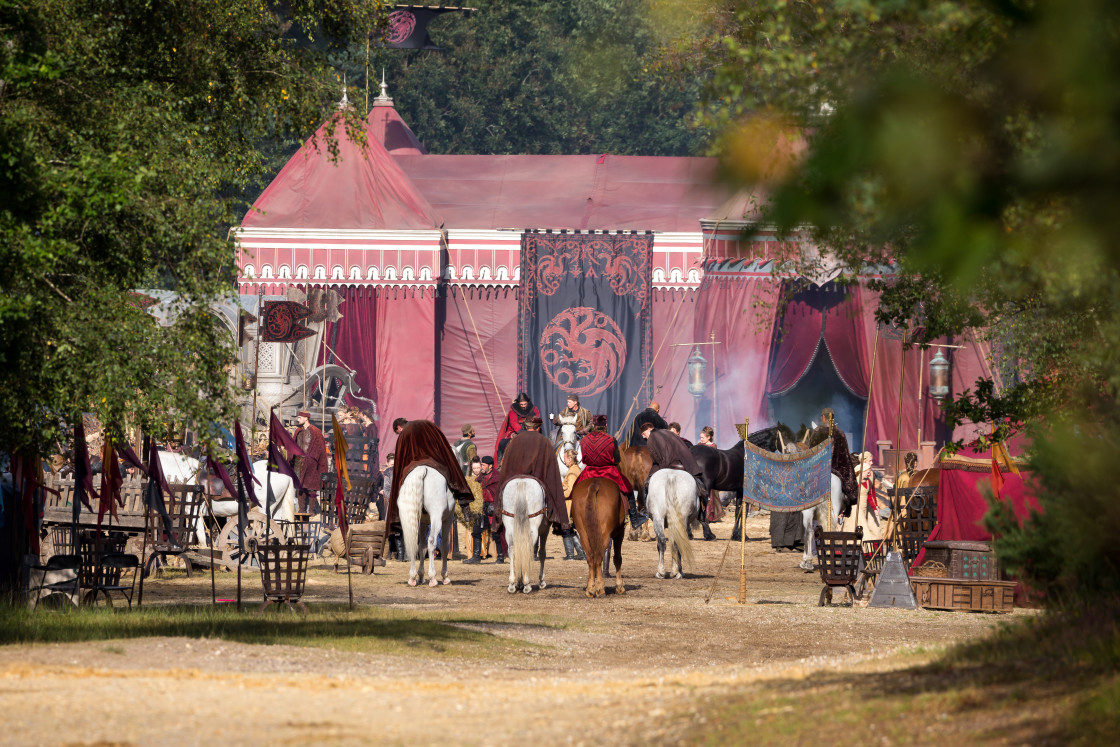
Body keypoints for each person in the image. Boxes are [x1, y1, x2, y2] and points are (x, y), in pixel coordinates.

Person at [497, 415, 570, 539]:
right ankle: (559, 521)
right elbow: (551, 469)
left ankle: (496, 516)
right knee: (553, 493)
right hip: (538, 479)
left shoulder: (514, 441)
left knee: (500, 496)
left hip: (515, 478)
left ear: (525, 426)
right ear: (538, 428)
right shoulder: (545, 441)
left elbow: (506, 465)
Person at [577, 414, 647, 532]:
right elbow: (617, 459)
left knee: (575, 489)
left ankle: (572, 518)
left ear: (593, 425)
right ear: (606, 425)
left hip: (589, 471)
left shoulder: (584, 440)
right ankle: (634, 520)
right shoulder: (611, 439)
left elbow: (584, 458)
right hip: (608, 471)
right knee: (628, 489)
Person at [292, 410, 327, 514]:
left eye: (299, 417)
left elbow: (320, 449)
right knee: (300, 487)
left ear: (306, 418)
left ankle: (311, 511)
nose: (298, 419)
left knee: (311, 487)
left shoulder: (315, 431)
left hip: (311, 462)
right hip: (298, 461)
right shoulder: (298, 431)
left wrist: (315, 462)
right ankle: (301, 510)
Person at [494, 392, 541, 460]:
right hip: (516, 431)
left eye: (525, 404)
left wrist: (532, 429)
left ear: (528, 402)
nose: (524, 406)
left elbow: (537, 419)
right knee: (502, 444)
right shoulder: (514, 410)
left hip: (531, 429)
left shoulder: (534, 408)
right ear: (518, 403)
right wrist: (520, 430)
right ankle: (500, 461)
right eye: (521, 404)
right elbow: (513, 422)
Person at [460, 457, 487, 564]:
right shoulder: (468, 479)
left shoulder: (484, 479)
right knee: (472, 531)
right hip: (471, 510)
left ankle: (481, 553)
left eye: (478, 468)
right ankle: (474, 554)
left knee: (480, 531)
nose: (476, 470)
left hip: (482, 509)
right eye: (474, 468)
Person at [480, 455, 505, 563]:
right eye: (481, 464)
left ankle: (500, 556)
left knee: (496, 532)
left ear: (490, 466)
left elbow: (500, 493)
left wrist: (495, 505)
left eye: (483, 465)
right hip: (483, 507)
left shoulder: (498, 477)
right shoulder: (481, 476)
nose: (481, 467)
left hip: (493, 508)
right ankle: (477, 556)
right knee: (477, 531)